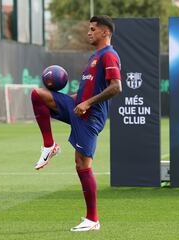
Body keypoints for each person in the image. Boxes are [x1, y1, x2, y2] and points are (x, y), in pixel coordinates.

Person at [30, 15, 121, 231]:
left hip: (90, 116)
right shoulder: (95, 56)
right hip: (77, 107)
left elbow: (117, 86)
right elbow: (90, 88)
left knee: (82, 165)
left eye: (93, 29)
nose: (89, 32)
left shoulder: (108, 55)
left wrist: (88, 103)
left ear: (105, 32)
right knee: (38, 95)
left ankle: (93, 219)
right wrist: (77, 98)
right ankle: (49, 145)